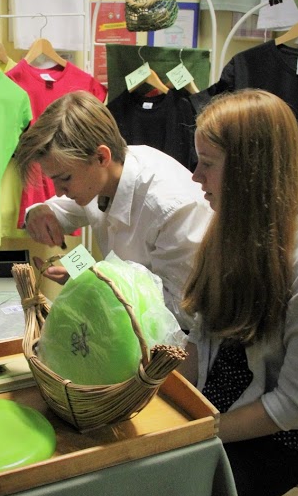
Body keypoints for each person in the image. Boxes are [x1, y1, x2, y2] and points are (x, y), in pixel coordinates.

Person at [178, 88, 298, 496]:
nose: (195, 176)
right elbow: (200, 338)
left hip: (280, 438)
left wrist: (196, 432)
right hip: (220, 404)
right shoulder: (231, 228)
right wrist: (157, 394)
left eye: (207, 164)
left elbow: (295, 405)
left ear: (250, 170)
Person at [14, 90, 212, 331]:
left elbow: (185, 312)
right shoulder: (103, 175)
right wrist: (38, 212)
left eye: (64, 179)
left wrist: (96, 283)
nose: (59, 192)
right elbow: (58, 210)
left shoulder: (171, 208)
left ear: (101, 157)